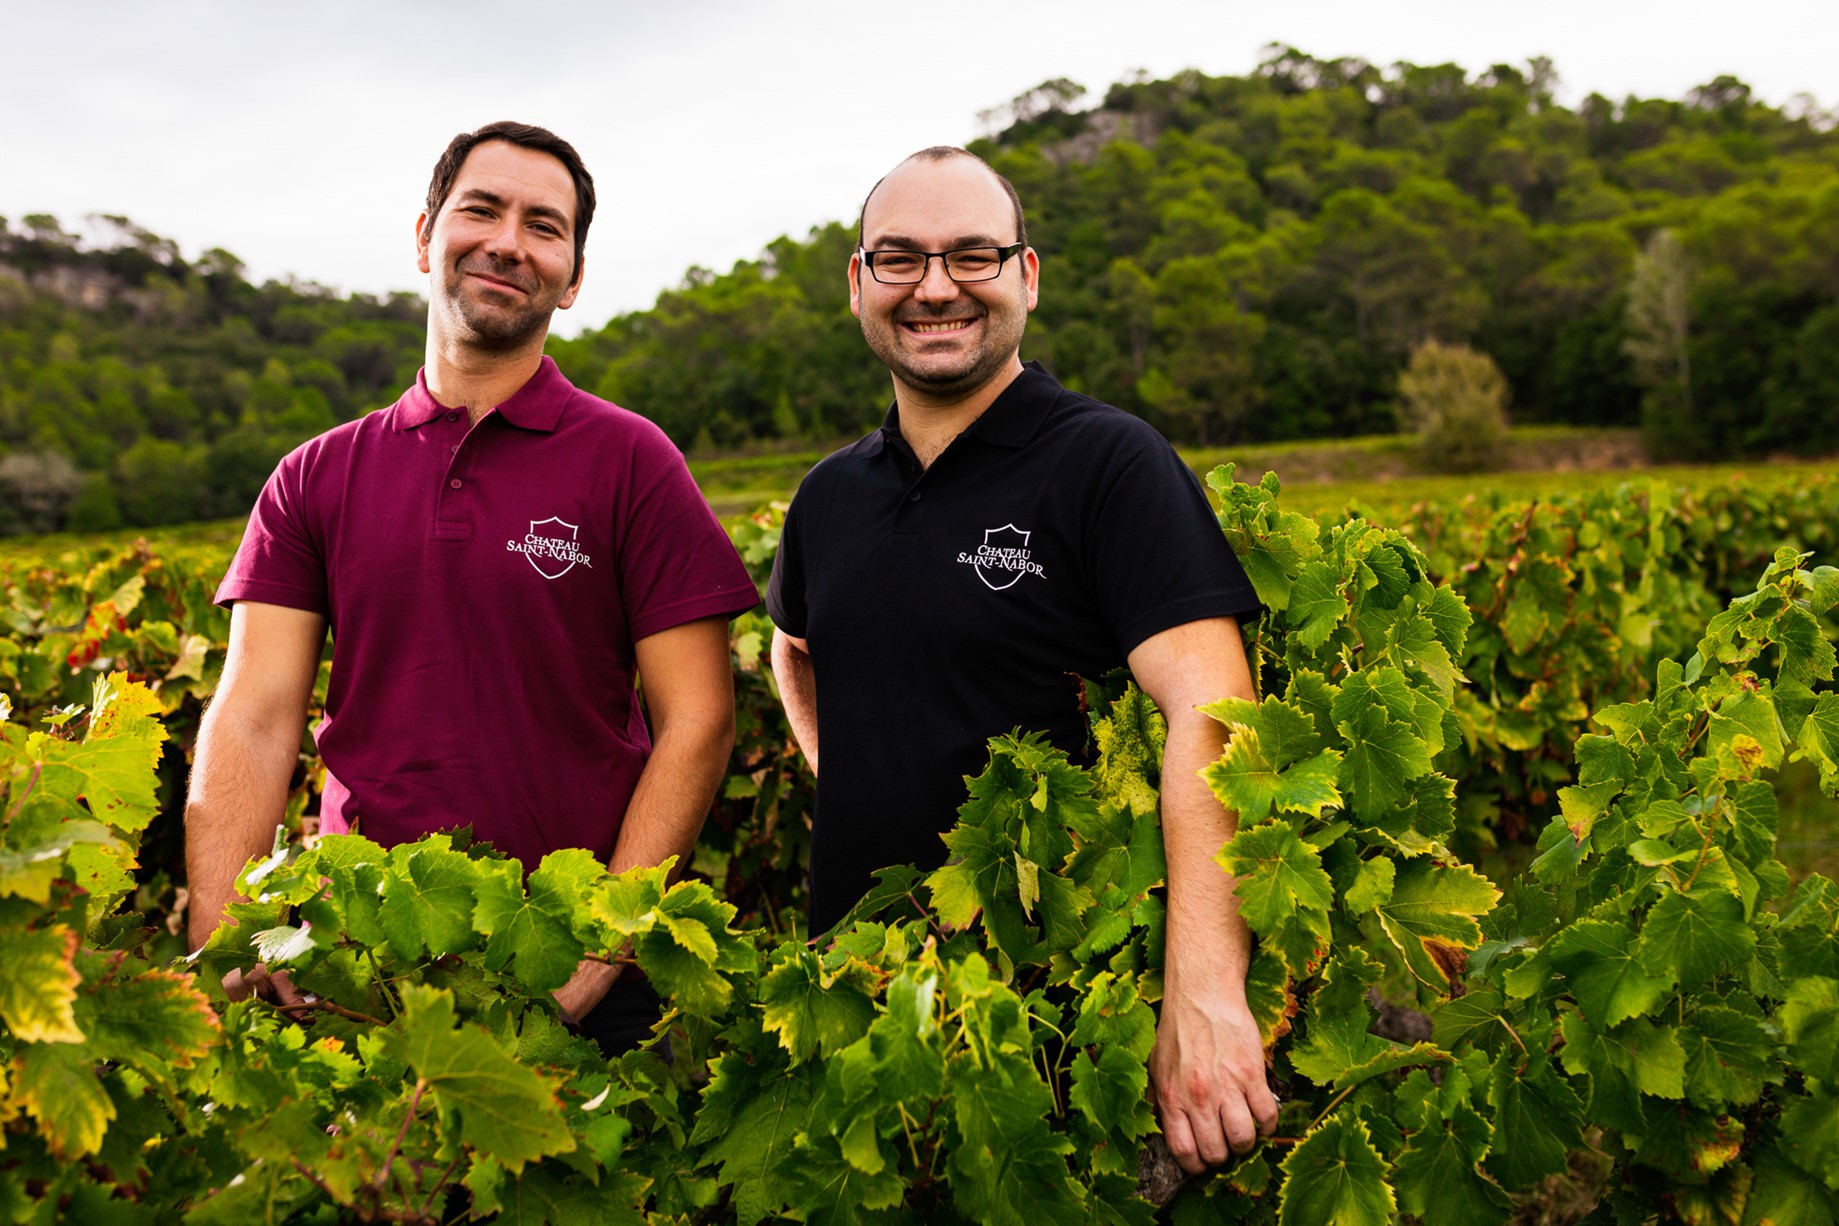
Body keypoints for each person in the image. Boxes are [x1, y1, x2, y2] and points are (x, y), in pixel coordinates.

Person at [185, 121, 757, 1054]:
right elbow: (252, 714)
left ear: (572, 278)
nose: (506, 242)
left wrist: (596, 957)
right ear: (424, 237)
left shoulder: (632, 462)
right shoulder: (313, 477)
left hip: (572, 960)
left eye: (544, 225)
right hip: (362, 957)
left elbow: (698, 720)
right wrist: (228, 935)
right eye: (481, 209)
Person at [766, 147, 1278, 1171]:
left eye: (972, 255)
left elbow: (1215, 712)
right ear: (858, 283)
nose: (936, 286)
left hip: (1063, 1027)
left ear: (1027, 276)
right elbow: (792, 648)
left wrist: (1206, 992)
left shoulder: (1107, 464)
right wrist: (857, 774)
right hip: (859, 996)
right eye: (900, 258)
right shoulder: (830, 495)